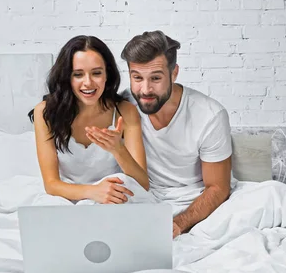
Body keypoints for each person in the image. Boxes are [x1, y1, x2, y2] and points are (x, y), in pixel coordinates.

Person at [120, 30, 233, 238]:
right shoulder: (125, 104)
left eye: (155, 78)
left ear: (174, 73)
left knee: (270, 196)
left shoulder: (210, 114)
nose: (145, 89)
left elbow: (218, 188)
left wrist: (178, 224)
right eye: (137, 77)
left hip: (196, 201)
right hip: (146, 198)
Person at [28, 35, 150, 205]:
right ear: (67, 78)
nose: (88, 83)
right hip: (66, 196)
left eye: (96, 73)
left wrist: (118, 149)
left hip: (111, 197)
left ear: (107, 74)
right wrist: (93, 192)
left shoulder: (125, 111)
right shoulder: (44, 112)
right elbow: (51, 184)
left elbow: (142, 184)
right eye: (78, 74)